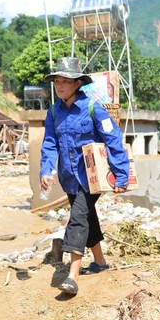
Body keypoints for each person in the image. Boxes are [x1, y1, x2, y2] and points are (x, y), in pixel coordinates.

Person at [39, 57, 129, 298]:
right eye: (57, 81)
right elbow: (49, 143)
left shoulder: (92, 108)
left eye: (65, 81)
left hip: (92, 177)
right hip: (69, 177)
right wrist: (46, 171)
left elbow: (113, 139)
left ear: (78, 83)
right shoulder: (53, 112)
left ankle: (73, 276)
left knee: (77, 218)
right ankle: (99, 262)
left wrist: (122, 175)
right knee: (88, 216)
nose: (59, 86)